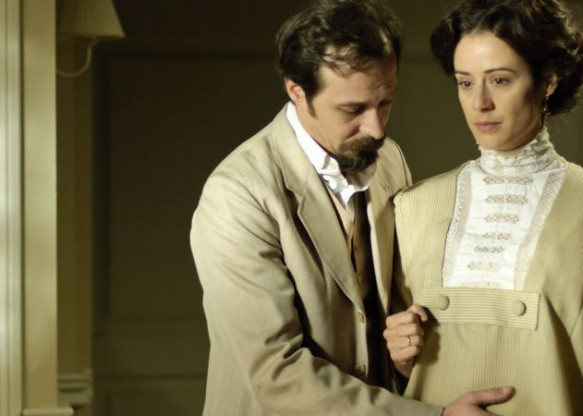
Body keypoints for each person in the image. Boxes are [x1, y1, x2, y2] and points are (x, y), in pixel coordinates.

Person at [190, 0, 514, 414]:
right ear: (297, 91)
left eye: (385, 102)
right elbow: (275, 373)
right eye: (353, 109)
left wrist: (404, 357)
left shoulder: (389, 159)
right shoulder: (237, 195)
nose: (376, 129)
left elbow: (392, 316)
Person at [383, 0, 583, 415]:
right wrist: (402, 360)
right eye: (465, 83)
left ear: (547, 80)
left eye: (499, 80)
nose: (480, 103)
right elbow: (399, 379)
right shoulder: (412, 207)